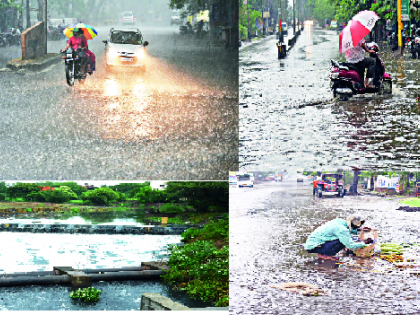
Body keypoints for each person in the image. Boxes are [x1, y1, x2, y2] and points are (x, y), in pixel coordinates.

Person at [304, 214, 374, 260]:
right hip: (314, 246)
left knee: (344, 238)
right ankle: (326, 255)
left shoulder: (339, 221)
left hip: (313, 244)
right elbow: (350, 245)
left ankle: (322, 253)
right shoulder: (342, 229)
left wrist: (359, 230)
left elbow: (348, 229)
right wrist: (364, 242)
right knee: (342, 241)